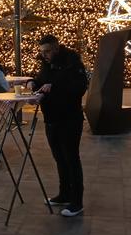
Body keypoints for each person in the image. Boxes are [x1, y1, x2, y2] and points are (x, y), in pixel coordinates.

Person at [27, 35, 88, 218]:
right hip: (51, 117)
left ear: (56, 48)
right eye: (41, 52)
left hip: (69, 118)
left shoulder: (72, 63)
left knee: (71, 159)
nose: (44, 55)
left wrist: (53, 86)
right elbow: (41, 79)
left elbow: (78, 88)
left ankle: (77, 202)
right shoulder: (46, 63)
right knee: (59, 157)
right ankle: (64, 193)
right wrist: (33, 82)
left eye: (46, 52)